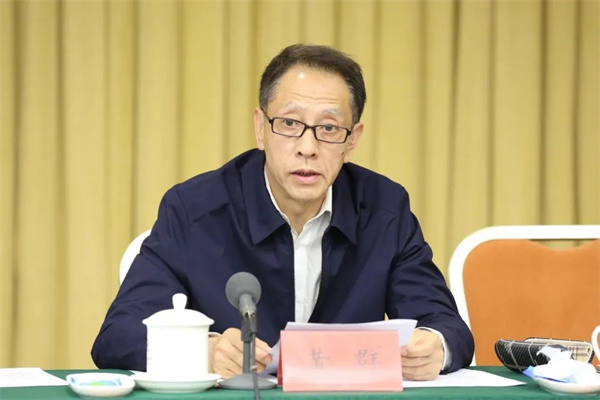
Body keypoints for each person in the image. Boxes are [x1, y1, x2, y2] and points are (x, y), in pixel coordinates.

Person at [92, 44, 474, 381]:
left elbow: (447, 327)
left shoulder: (385, 209)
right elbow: (117, 335)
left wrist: (434, 347)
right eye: (290, 123)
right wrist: (203, 351)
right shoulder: (194, 209)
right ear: (261, 129)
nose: (308, 147)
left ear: (352, 141)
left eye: (329, 128)